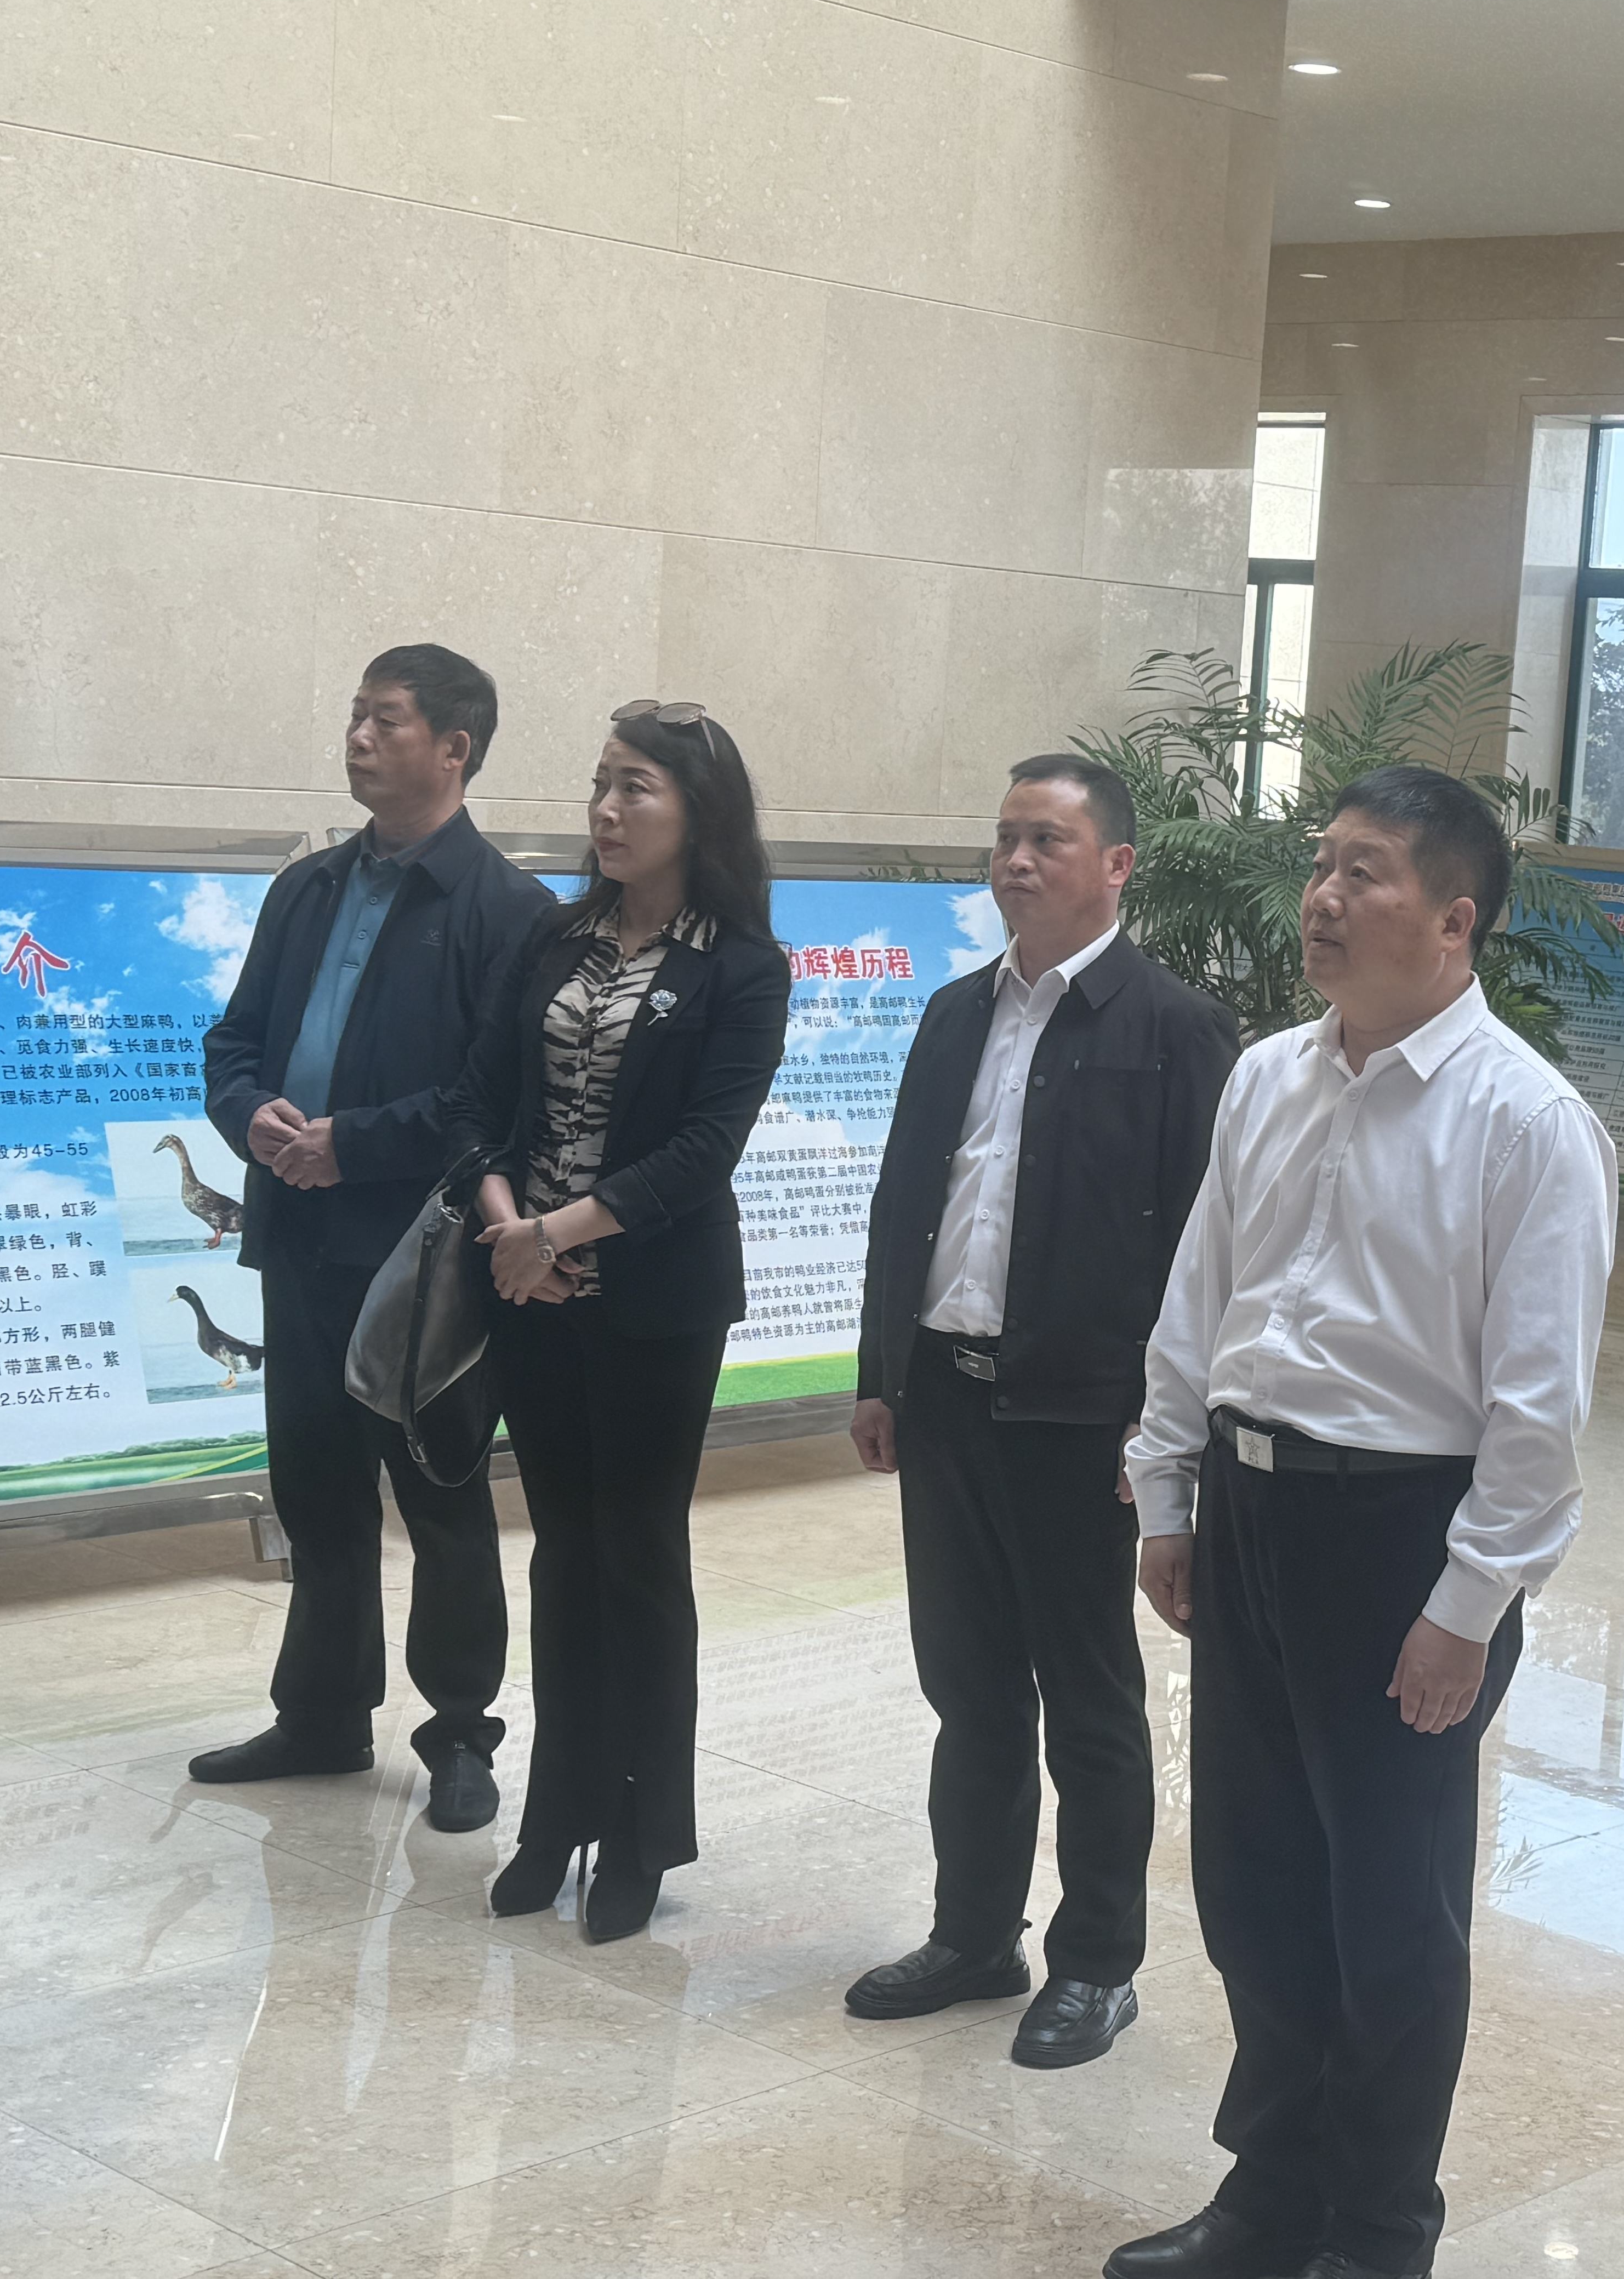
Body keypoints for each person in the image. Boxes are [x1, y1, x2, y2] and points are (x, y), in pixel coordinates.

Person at [1110, 767, 1617, 2279]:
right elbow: (1201, 1296)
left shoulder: (1529, 1120)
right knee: (1254, 1882)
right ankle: (1271, 2196)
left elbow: (1540, 1410)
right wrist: (1167, 1490)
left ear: (1455, 921)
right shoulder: (1267, 1075)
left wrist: (1468, 1609)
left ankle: (1381, 2229)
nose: (1323, 898)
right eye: (1323, 864)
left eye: (1367, 872)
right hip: (1251, 1509)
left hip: (1405, 1542)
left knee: (1390, 1912)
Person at [842, 754, 1238, 2068]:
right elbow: (905, 1202)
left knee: (1088, 1696)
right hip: (945, 1401)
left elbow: (1205, 1255)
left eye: (1047, 841)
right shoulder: (957, 1012)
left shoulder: (1178, 1029)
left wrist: (1164, 1434)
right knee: (967, 1687)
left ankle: (1098, 1965)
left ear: (1116, 865)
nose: (1016, 861)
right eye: (1005, 837)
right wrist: (881, 1375)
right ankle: (974, 1936)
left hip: (1083, 1421)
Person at [441, 699, 790, 1944]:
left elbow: (704, 1149)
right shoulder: (554, 938)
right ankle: (557, 1819)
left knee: (639, 1559)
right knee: (563, 1555)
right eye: (601, 783)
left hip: (653, 1305)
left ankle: (641, 1833)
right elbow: (479, 1104)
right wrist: (508, 1230)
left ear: (699, 811)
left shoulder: (741, 966)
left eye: (636, 787)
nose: (607, 809)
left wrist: (559, 1233)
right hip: (527, 1292)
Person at [192, 645, 549, 1831]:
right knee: (316, 1488)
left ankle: (460, 1735)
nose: (357, 738)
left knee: (441, 1498)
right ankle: (322, 1716)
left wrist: (353, 1143)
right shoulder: (307, 890)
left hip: (423, 1261)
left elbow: (494, 1103)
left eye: (384, 721)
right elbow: (233, 1043)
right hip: (298, 1239)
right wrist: (252, 1115)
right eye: (354, 715)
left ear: (454, 748)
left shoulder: (507, 912)